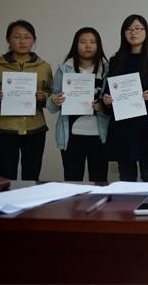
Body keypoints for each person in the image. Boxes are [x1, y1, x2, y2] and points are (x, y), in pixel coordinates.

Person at [0, 20, 53, 180]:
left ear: (33, 40)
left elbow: (51, 93)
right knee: (6, 177)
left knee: (32, 176)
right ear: (8, 39)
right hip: (5, 130)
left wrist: (44, 97)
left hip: (35, 129)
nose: (22, 41)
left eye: (27, 37)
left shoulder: (44, 67)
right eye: (17, 37)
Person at [103, 15, 148, 182]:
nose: (133, 32)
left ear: (146, 31)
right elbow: (108, 91)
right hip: (122, 125)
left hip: (147, 124)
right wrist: (107, 100)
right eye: (129, 29)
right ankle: (127, 201)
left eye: (137, 28)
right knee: (126, 175)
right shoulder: (116, 60)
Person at [47, 27, 110, 182]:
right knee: (72, 180)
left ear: (98, 45)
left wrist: (102, 106)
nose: (88, 46)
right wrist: (54, 100)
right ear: (75, 45)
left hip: (99, 135)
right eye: (82, 42)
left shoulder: (107, 68)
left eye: (92, 42)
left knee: (99, 181)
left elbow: (111, 100)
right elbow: (52, 102)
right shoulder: (65, 69)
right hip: (72, 135)